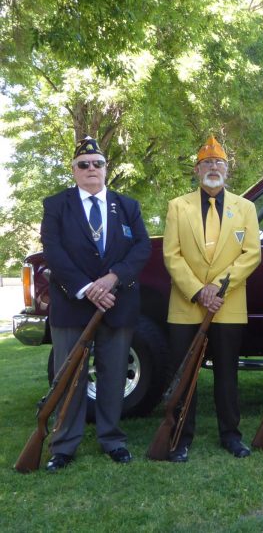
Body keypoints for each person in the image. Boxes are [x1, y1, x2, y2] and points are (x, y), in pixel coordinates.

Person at [41, 136, 151, 471]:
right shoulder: (56, 205)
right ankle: (64, 444)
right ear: (74, 171)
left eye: (97, 164)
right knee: (69, 375)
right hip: (72, 303)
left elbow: (142, 248)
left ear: (106, 169)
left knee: (113, 374)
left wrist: (113, 278)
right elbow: (54, 252)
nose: (91, 169)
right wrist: (88, 287)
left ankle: (112, 439)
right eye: (83, 165)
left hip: (117, 302)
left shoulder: (127, 206)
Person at [163, 135, 261, 463]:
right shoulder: (178, 206)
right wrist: (198, 290)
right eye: (207, 163)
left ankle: (231, 436)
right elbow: (172, 255)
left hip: (227, 306)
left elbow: (251, 254)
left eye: (219, 163)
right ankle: (179, 436)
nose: (213, 167)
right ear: (197, 169)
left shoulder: (245, 208)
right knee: (185, 373)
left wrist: (217, 289)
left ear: (227, 170)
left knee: (227, 375)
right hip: (187, 305)